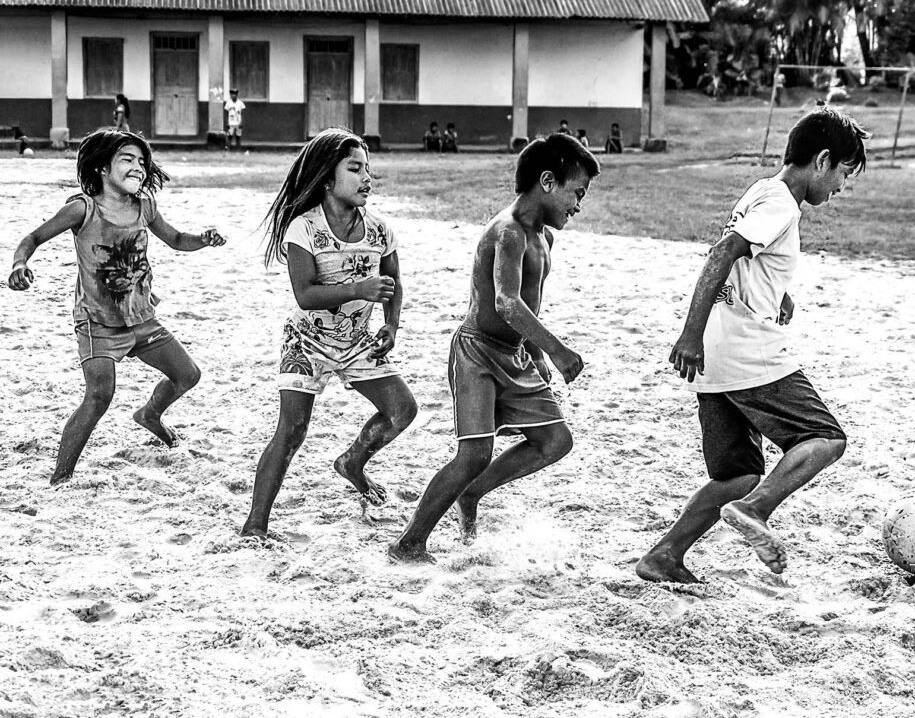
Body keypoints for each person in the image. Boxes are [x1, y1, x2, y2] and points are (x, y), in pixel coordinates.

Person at [635, 107, 869, 583]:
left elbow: (746, 261)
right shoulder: (782, 203)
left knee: (735, 474)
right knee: (825, 438)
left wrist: (777, 292)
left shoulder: (762, 192)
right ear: (822, 160)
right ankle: (757, 510)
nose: (842, 186)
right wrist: (688, 332)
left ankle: (663, 556)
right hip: (746, 351)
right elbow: (722, 253)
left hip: (717, 357)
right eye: (844, 173)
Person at [389, 133, 600, 563]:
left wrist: (537, 355)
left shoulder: (545, 237)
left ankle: (474, 492)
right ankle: (409, 541)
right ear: (547, 181)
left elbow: (531, 304)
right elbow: (506, 302)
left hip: (516, 355)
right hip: (477, 354)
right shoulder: (509, 232)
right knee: (473, 454)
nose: (578, 205)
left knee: (556, 440)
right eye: (576, 193)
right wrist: (559, 352)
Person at [7, 128, 226, 485]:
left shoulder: (145, 207)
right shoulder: (83, 209)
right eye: (128, 159)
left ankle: (150, 415)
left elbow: (176, 239)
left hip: (141, 319)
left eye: (142, 161)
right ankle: (60, 478)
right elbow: (31, 238)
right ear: (103, 168)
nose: (139, 167)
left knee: (188, 375)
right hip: (98, 324)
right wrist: (20, 264)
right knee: (99, 396)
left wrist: (202, 240)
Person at [242, 128, 418, 538]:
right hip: (307, 341)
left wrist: (390, 325)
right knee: (291, 431)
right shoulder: (303, 229)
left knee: (402, 410)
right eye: (355, 168)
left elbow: (393, 284)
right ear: (326, 178)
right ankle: (255, 526)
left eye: (368, 170)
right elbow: (305, 294)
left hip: (358, 340)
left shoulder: (379, 230)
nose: (366, 178)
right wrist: (360, 289)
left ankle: (353, 461)